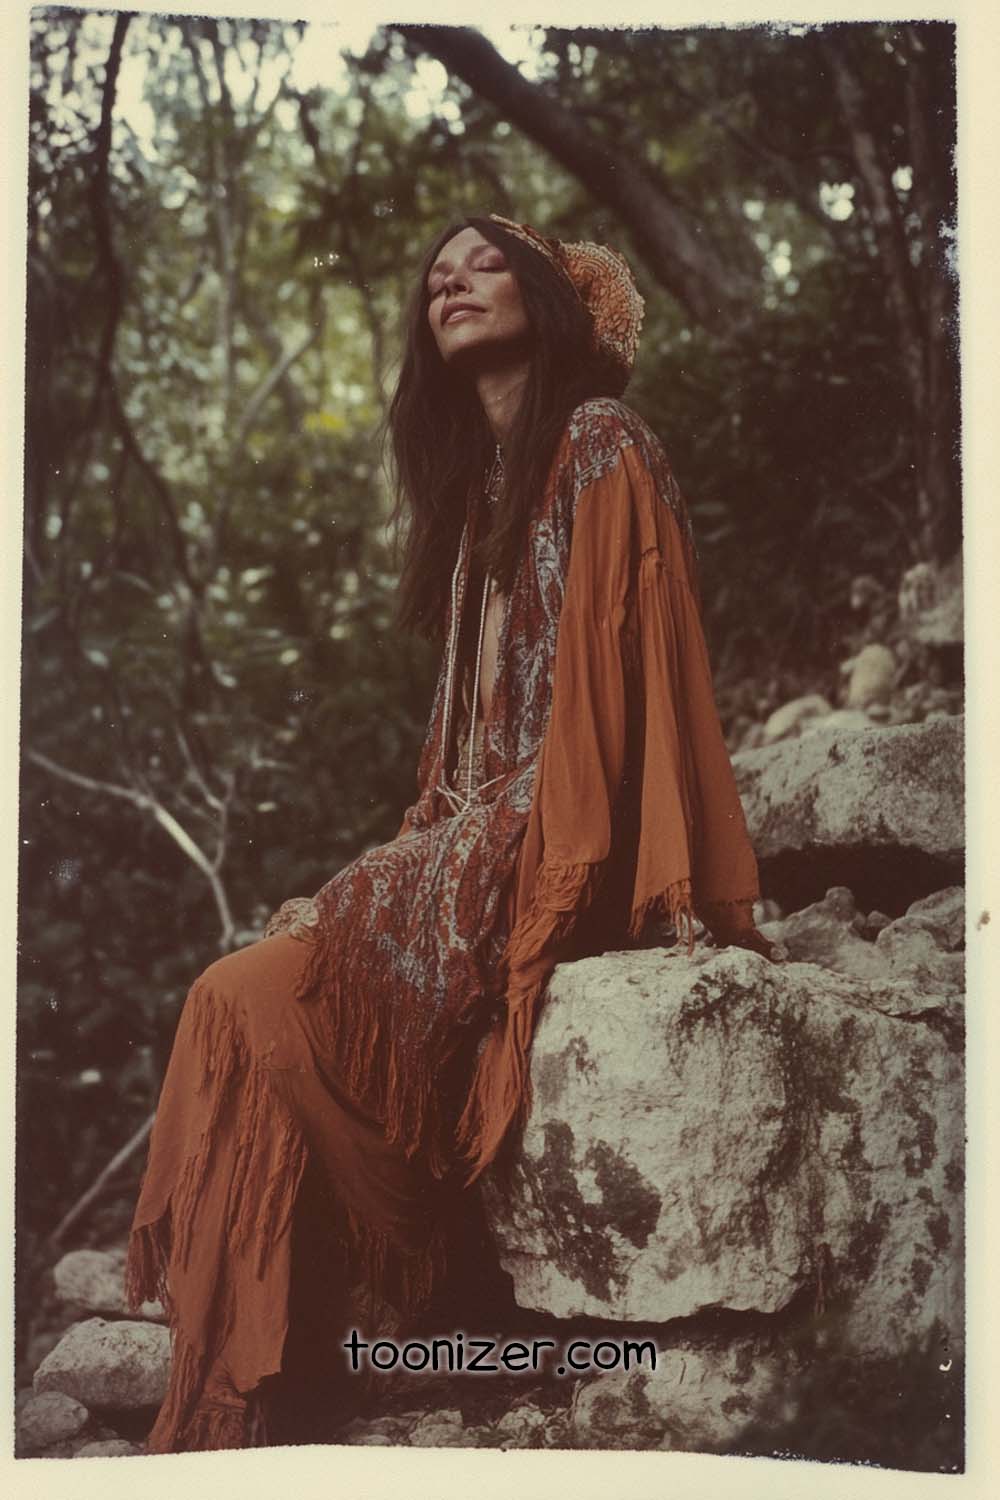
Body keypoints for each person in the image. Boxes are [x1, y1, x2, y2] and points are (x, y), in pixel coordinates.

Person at [125, 212, 775, 1453]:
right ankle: (272, 1383)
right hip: (481, 836)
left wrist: (467, 871)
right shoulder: (481, 493)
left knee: (240, 996)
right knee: (254, 999)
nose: (451, 284)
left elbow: (608, 710)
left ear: (549, 295)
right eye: (435, 279)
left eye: (484, 267)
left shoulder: (598, 441)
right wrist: (416, 855)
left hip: (561, 842)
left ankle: (407, 1273)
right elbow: (460, 753)